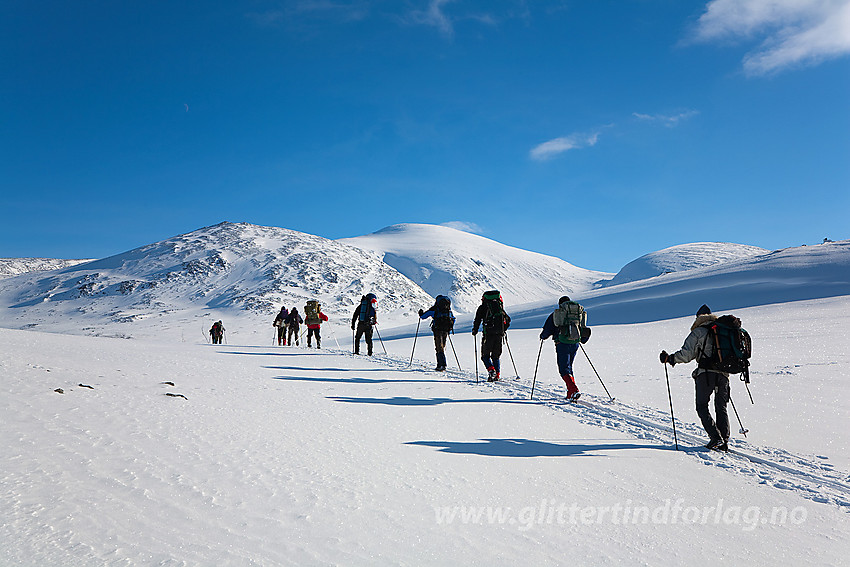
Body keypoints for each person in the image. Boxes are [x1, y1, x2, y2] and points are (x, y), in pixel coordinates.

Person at [660, 304, 731, 452]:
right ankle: (723, 440)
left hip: (706, 374)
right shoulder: (723, 331)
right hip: (724, 375)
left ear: (698, 317)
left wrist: (670, 359)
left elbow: (686, 355)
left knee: (702, 406)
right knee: (721, 407)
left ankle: (716, 438)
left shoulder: (698, 332)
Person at [539, 296, 588, 400]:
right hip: (575, 342)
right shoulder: (576, 314)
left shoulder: (557, 314)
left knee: (563, 368)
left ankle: (574, 390)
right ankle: (570, 392)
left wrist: (543, 336)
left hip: (562, 342)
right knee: (569, 366)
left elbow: (547, 329)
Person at [471, 290, 511, 382]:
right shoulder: (499, 307)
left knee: (485, 356)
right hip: (499, 335)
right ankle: (497, 375)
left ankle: (491, 370)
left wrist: (475, 330)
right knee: (495, 356)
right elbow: (508, 320)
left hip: (488, 334)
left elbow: (477, 320)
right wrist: (502, 330)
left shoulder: (482, 308)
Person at [418, 295, 456, 371]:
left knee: (439, 347)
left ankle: (441, 365)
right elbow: (453, 319)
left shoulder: (435, 309)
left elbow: (424, 316)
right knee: (442, 346)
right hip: (446, 330)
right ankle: (442, 364)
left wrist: (420, 313)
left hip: (437, 330)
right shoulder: (448, 310)